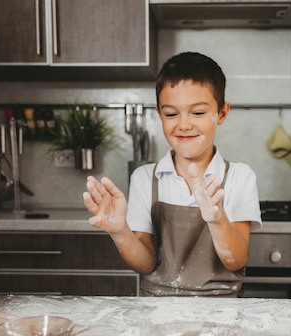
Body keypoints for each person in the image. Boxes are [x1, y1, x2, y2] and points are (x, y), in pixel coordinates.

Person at [83, 52, 262, 297]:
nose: (184, 124)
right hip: (157, 312)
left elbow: (236, 260)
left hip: (221, 312)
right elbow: (145, 264)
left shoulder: (239, 177)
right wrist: (119, 231)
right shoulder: (145, 178)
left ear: (221, 113)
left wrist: (217, 220)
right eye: (171, 114)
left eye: (198, 113)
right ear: (159, 114)